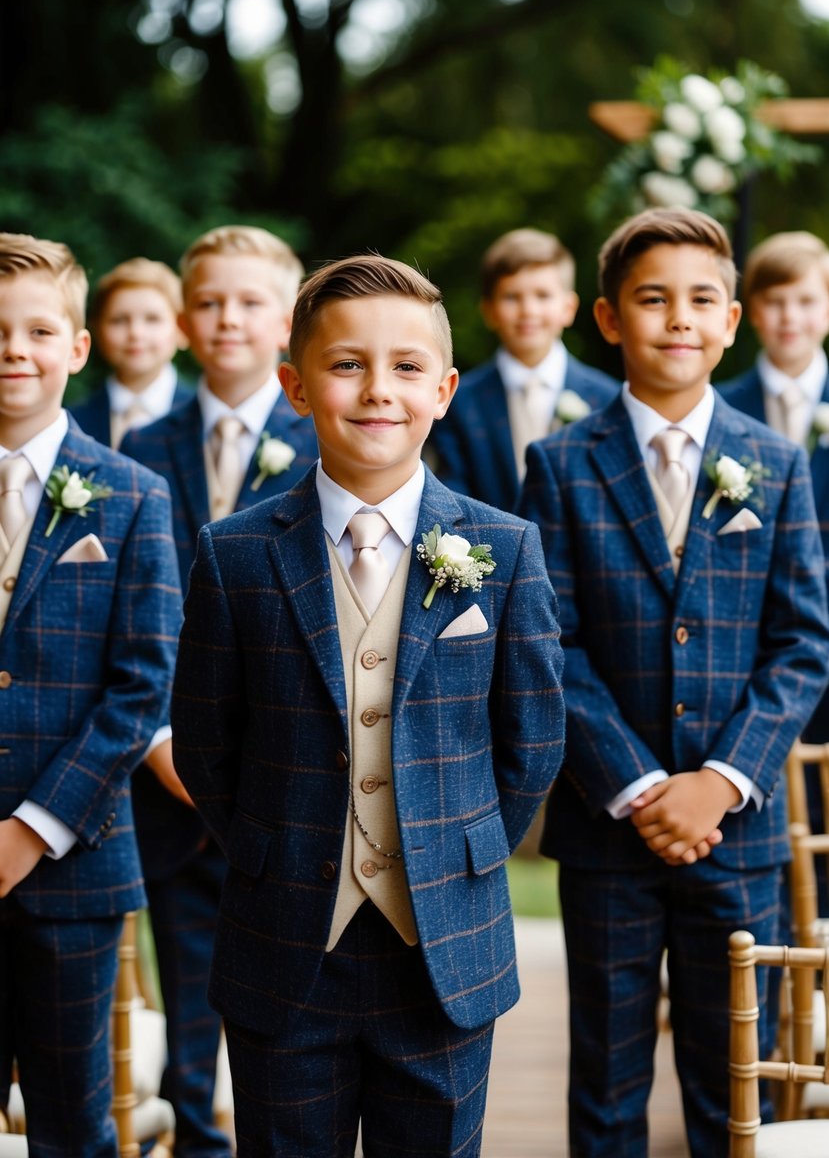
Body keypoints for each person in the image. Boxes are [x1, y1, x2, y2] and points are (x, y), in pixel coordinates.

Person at [171, 254, 566, 1157]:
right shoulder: (233, 554)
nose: (377, 389)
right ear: (295, 387)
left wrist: (456, 849)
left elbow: (532, 735)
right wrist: (276, 846)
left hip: (445, 952)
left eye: (406, 367)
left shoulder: (503, 549)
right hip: (285, 944)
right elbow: (205, 740)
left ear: (445, 389)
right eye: (346, 364)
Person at [519, 208, 829, 1158]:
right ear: (608, 320)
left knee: (730, 1076)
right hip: (610, 832)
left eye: (701, 300)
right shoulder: (561, 466)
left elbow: (802, 644)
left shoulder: (774, 464)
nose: (678, 319)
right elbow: (549, 644)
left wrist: (718, 781)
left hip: (735, 837)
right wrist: (643, 787)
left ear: (731, 321)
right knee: (607, 1077)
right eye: (652, 300)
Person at [120, 225, 318, 1158]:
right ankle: (196, 1137)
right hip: (168, 773)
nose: (228, 318)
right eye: (209, 302)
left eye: (248, 302)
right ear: (183, 319)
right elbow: (132, 617)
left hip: (288, 775)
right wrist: (164, 745)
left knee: (301, 999)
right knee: (188, 975)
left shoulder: (320, 437)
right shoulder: (134, 445)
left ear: (286, 319)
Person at [0, 232, 180, 1155]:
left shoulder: (134, 496)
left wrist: (30, 829)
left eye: (38, 330)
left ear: (76, 348)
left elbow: (141, 688)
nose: (14, 349)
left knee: (75, 1120)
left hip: (71, 866)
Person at [719, 232, 829, 864]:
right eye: (776, 301)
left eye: (805, 300)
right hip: (749, 647)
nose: (791, 317)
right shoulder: (723, 407)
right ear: (753, 312)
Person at [430, 227, 618, 510]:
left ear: (569, 308)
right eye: (511, 297)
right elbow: (452, 495)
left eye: (542, 296)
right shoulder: (458, 403)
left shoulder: (608, 399)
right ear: (489, 311)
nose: (528, 310)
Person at [71, 256, 192, 448]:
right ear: (97, 330)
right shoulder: (74, 421)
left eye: (152, 319)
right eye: (119, 320)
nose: (136, 333)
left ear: (181, 328)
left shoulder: (203, 418)